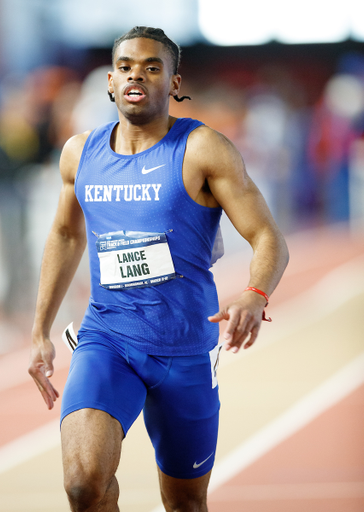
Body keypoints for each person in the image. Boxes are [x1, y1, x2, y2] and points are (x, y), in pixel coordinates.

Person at [28, 26, 289, 512]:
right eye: (126, 66)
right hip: (108, 338)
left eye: (152, 67)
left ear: (173, 82)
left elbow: (268, 236)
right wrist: (40, 328)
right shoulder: (80, 153)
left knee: (186, 503)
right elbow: (66, 235)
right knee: (84, 485)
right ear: (109, 81)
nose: (137, 75)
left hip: (184, 348)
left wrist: (255, 293)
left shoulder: (202, 149)